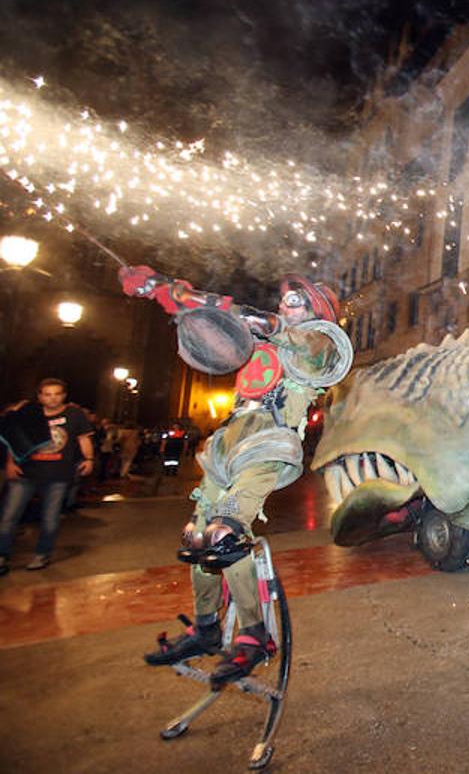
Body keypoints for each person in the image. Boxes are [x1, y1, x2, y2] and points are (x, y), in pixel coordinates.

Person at [121, 266, 352, 688]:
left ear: (317, 310)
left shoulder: (320, 344)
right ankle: (206, 629)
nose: (285, 304)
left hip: (268, 442)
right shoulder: (266, 339)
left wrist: (247, 316)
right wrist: (162, 290)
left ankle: (254, 635)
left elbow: (264, 324)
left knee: (224, 533)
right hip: (229, 439)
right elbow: (223, 318)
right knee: (196, 536)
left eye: (296, 300)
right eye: (285, 298)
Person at [0, 379, 95, 574]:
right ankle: (2, 555)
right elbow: (14, 440)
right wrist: (10, 463)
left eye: (57, 394)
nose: (52, 398)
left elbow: (83, 438)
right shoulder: (28, 413)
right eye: (47, 394)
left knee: (50, 517)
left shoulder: (74, 415)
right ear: (40, 396)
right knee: (9, 516)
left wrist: (89, 459)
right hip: (26, 471)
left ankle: (42, 554)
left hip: (57, 474)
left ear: (63, 395)